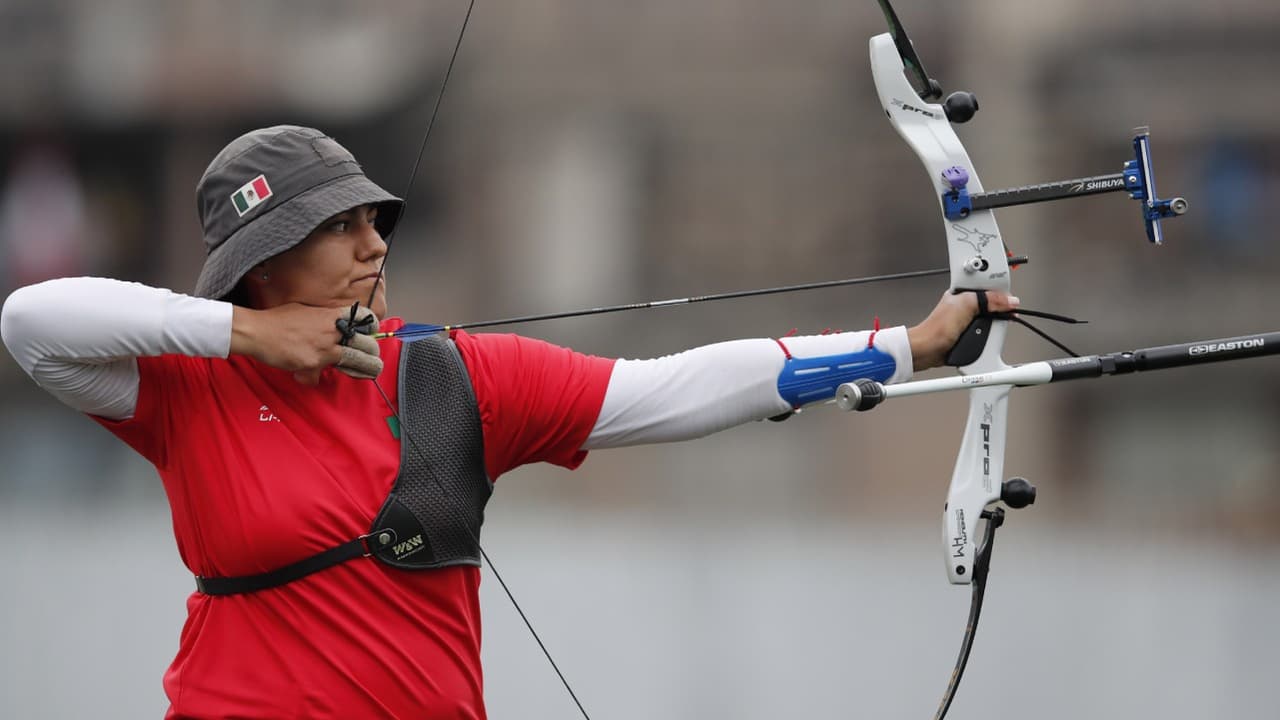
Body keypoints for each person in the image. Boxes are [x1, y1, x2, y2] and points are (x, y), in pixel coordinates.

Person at [0, 125, 1017, 719]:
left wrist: (909, 347)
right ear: (260, 267)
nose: (372, 247)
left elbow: (671, 389)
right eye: (335, 229)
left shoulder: (448, 377)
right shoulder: (189, 389)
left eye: (372, 222)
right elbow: (31, 322)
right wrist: (248, 337)